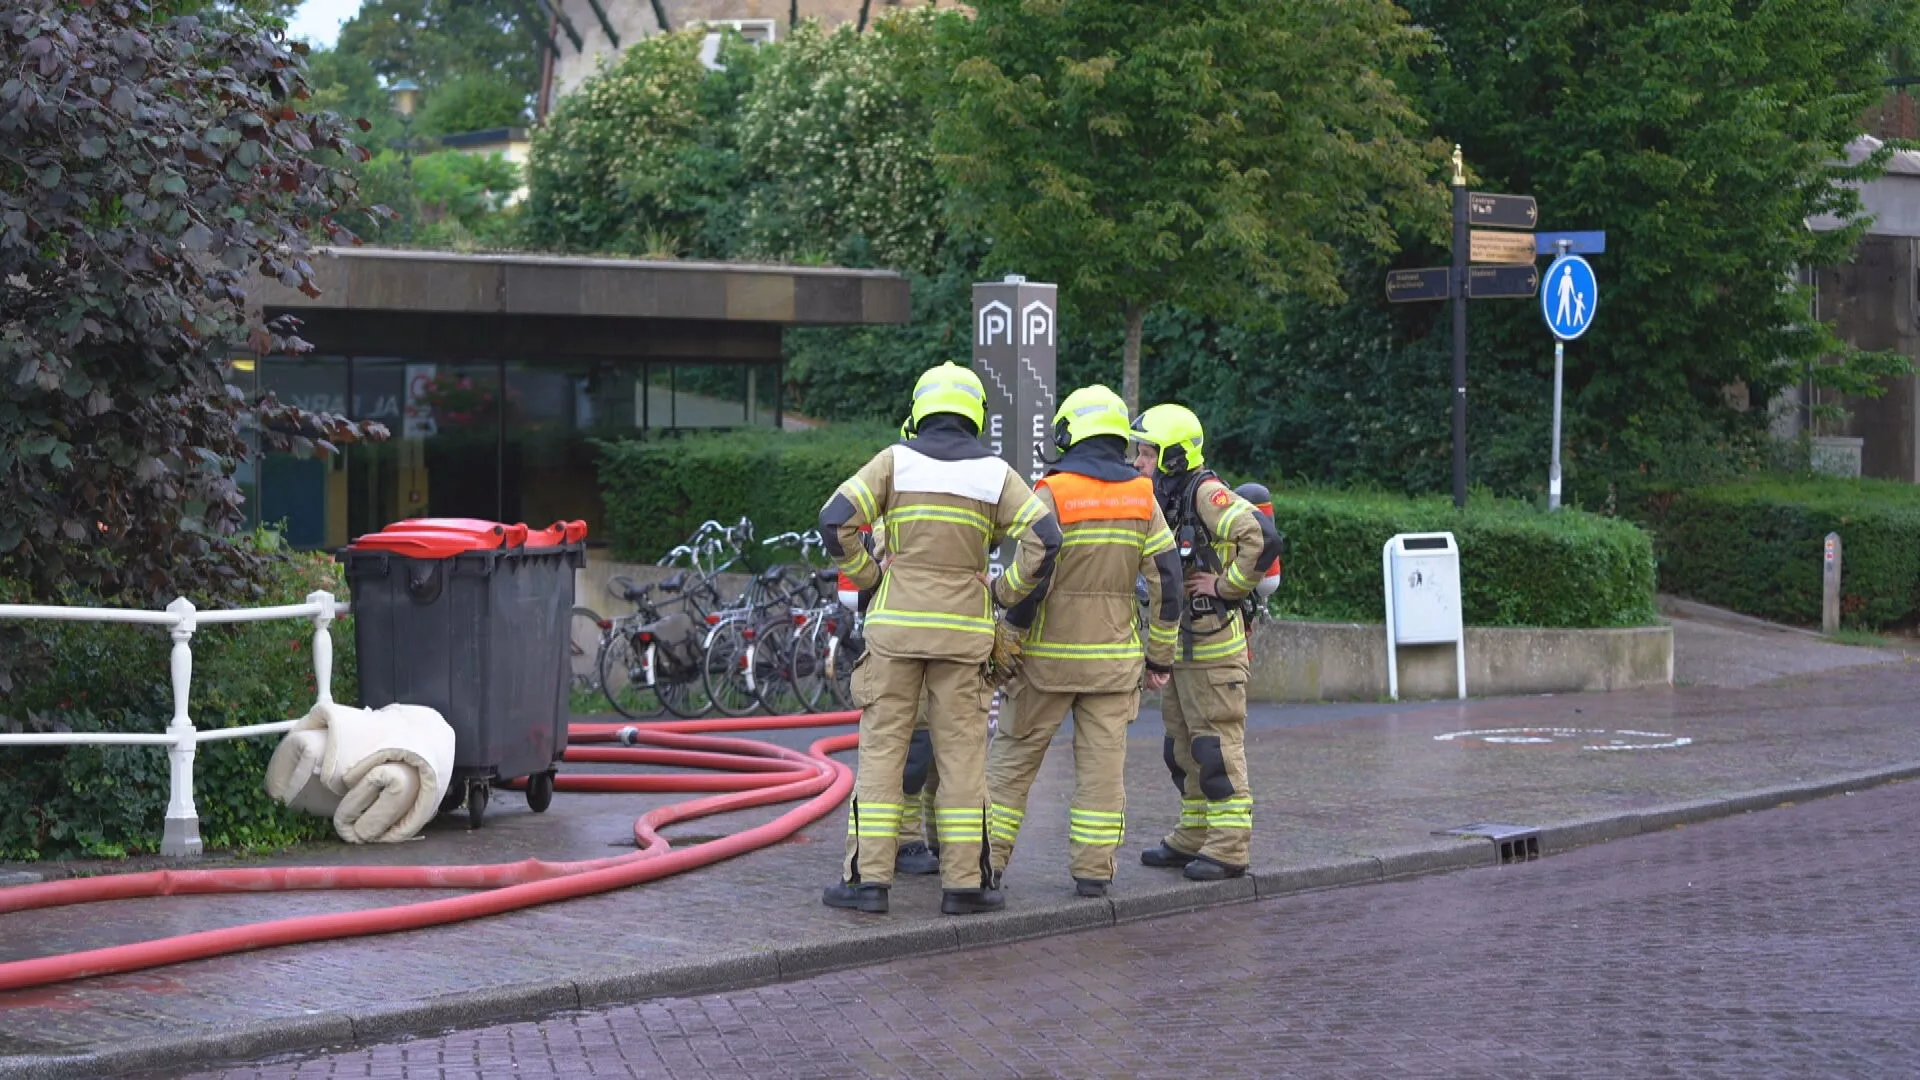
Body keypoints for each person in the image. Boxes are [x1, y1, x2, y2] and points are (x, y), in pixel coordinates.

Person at [818, 362, 1062, 915]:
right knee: (962, 762)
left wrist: (871, 576)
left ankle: (867, 883)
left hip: (895, 633)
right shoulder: (996, 474)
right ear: (976, 412)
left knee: (883, 755)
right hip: (963, 637)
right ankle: (965, 886)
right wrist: (1002, 591)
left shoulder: (893, 461)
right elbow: (1046, 538)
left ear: (919, 407)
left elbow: (835, 520)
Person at [984, 385, 1183, 898]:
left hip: (1044, 663)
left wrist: (1005, 616)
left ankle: (985, 868)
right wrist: (1159, 657)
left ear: (1068, 433)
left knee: (1012, 765)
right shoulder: (1142, 496)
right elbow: (1167, 579)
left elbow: (1032, 573)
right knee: (1102, 773)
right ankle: (1094, 872)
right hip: (1113, 666)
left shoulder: (1052, 492)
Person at [1128, 404, 1282, 881]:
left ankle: (1230, 846)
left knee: (1216, 747)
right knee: (1181, 748)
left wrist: (1226, 586)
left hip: (1214, 651)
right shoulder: (1166, 494)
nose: (1137, 461)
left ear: (1173, 456)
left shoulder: (1204, 493)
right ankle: (1194, 833)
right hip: (1181, 648)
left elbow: (1262, 538)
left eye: (1147, 453)